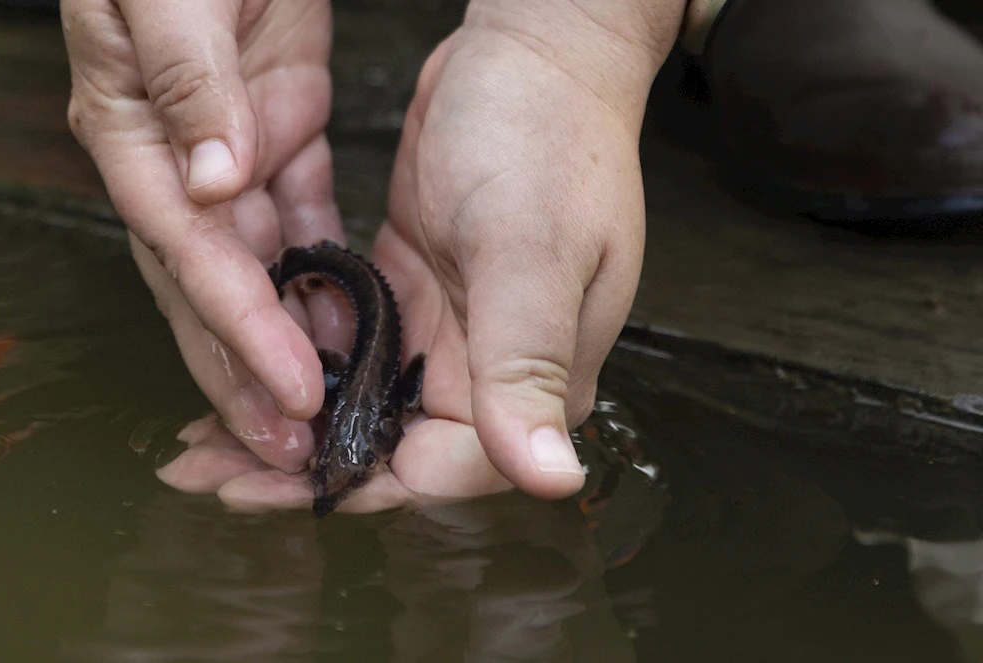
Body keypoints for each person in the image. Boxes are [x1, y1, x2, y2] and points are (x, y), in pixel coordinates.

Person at [57, 0, 983, 514]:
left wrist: (576, 34)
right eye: (339, 477)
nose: (337, 483)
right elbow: (396, 384)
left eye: (340, 476)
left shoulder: (371, 408)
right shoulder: (379, 408)